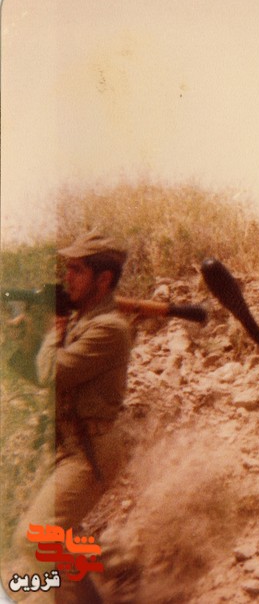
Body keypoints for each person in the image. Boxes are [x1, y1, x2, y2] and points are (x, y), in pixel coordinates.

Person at [10, 231, 135, 603]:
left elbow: (53, 374)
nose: (67, 278)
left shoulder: (110, 329)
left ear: (104, 279)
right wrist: (23, 336)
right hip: (71, 446)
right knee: (59, 543)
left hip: (91, 450)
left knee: (33, 539)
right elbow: (36, 375)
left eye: (77, 270)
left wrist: (53, 330)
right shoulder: (82, 321)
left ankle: (113, 562)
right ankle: (105, 571)